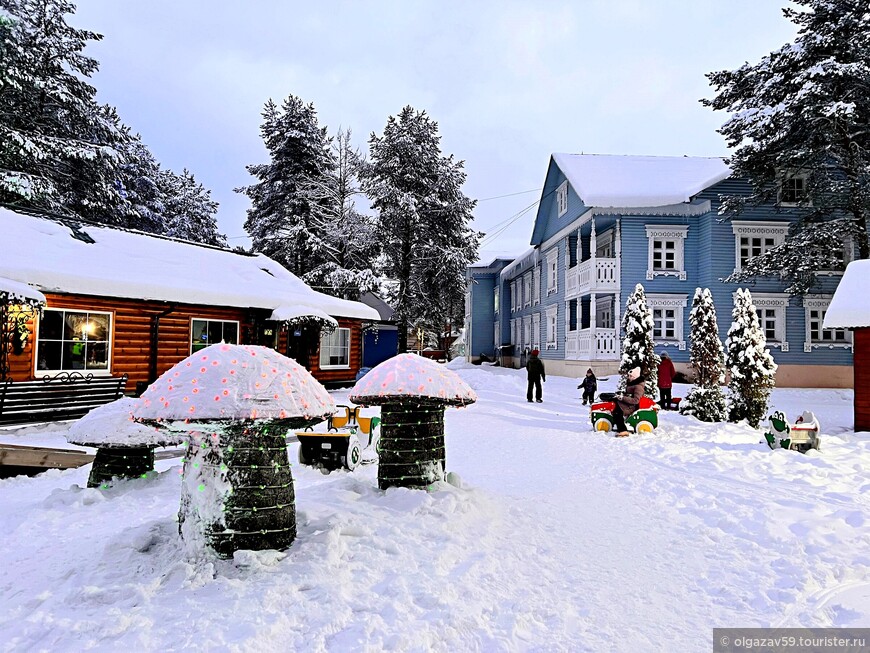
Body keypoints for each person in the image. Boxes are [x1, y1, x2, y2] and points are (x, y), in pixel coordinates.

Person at [613, 367, 645, 437]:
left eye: (631, 376)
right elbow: (630, 394)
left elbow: (636, 400)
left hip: (631, 406)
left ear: (635, 377)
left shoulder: (638, 387)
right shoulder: (633, 383)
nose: (629, 377)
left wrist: (622, 398)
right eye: (629, 376)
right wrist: (622, 394)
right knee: (613, 402)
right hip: (627, 403)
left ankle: (623, 430)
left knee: (617, 412)